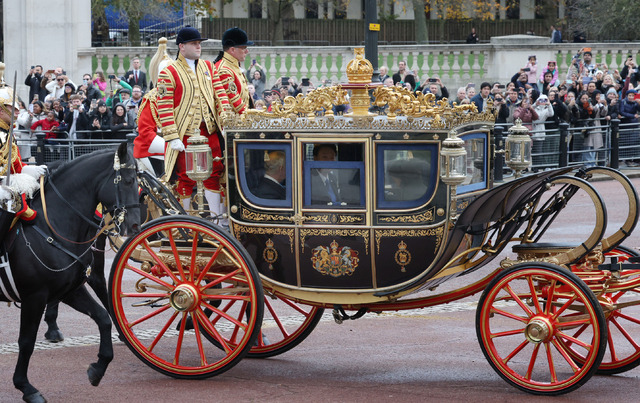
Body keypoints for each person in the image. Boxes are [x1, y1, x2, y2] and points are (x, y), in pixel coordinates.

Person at [156, 26, 230, 218]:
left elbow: (220, 93)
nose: (198, 47)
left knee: (215, 173)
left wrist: (226, 117)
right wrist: (172, 137)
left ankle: (215, 219)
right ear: (181, 46)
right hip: (185, 135)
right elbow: (164, 107)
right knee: (185, 177)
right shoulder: (169, 72)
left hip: (210, 131)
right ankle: (186, 219)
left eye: (199, 43)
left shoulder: (208, 66)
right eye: (194, 43)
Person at [0, 76, 46, 223]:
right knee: (15, 201)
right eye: (12, 108)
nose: (18, 111)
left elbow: (16, 164)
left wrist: (31, 169)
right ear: (1, 111)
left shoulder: (9, 134)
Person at [215, 27, 254, 114]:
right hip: (232, 124)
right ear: (232, 49)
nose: (247, 51)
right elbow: (237, 105)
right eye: (244, 48)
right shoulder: (224, 70)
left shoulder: (234, 66)